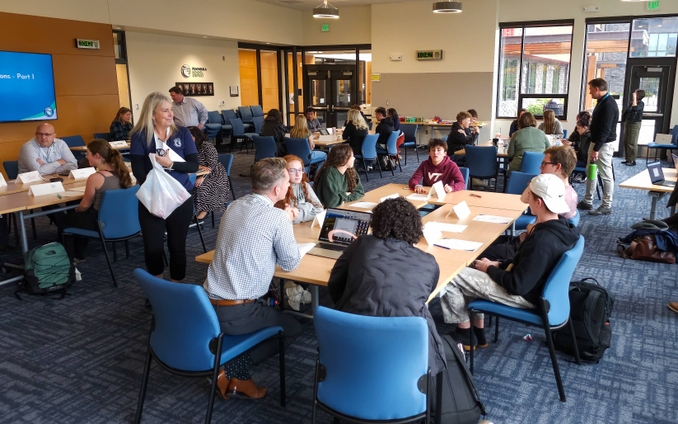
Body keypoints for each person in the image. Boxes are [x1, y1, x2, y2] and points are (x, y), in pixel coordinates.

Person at [440, 173, 579, 350]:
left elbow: (517, 285)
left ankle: (465, 334)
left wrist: (490, 270)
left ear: (539, 203)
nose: (527, 201)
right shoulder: (562, 228)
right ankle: (478, 332)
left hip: (524, 295)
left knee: (450, 274)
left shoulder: (542, 241)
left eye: (531, 197)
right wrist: (498, 265)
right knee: (473, 272)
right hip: (537, 288)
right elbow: (525, 265)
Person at [203, 157, 302, 400]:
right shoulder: (277, 218)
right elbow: (290, 264)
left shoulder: (234, 205)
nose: (290, 187)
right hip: (237, 313)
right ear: (278, 189)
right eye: (288, 183)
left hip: (205, 307)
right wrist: (287, 224)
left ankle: (229, 366)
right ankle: (232, 370)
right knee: (293, 328)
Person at [328, 196, 445, 375]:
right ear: (415, 227)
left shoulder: (360, 245)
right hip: (406, 350)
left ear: (377, 222)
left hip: (353, 338)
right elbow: (422, 296)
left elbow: (335, 284)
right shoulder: (429, 262)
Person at [130, 92, 199, 282]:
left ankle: (176, 286)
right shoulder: (140, 136)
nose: (171, 114)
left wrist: (171, 164)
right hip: (153, 197)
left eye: (171, 110)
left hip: (180, 197)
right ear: (152, 114)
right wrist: (156, 191)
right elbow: (138, 171)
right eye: (165, 111)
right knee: (153, 247)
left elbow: (193, 166)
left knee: (177, 246)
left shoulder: (182, 133)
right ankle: (158, 287)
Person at [481, 145, 578, 262]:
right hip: (526, 241)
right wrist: (540, 178)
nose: (540, 167)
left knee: (479, 251)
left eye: (544, 164)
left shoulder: (560, 196)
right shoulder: (554, 188)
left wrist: (529, 227)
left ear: (557, 167)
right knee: (483, 241)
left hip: (527, 248)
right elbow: (524, 199)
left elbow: (547, 233)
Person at [56, 139, 133, 262]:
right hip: (123, 219)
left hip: (100, 222)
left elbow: (85, 205)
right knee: (77, 217)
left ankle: (69, 259)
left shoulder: (95, 177)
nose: (86, 157)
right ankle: (78, 252)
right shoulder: (123, 172)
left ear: (97, 156)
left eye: (88, 153)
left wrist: (78, 210)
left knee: (64, 220)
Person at [577, 78, 619, 216]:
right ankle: (588, 200)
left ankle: (606, 205)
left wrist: (596, 149)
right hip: (596, 142)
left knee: (606, 174)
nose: (589, 92)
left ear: (596, 88)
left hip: (604, 144)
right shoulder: (602, 102)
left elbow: (605, 130)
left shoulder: (609, 105)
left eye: (590, 89)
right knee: (591, 171)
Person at [188, 126, 229, 221]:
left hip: (214, 173)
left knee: (201, 185)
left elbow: (212, 164)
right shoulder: (189, 147)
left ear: (196, 136)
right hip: (197, 171)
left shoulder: (206, 146)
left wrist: (203, 177)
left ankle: (204, 211)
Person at [275, 154, 324, 224]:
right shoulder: (281, 189)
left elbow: (320, 210)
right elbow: (287, 219)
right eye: (292, 171)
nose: (298, 174)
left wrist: (298, 216)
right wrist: (308, 206)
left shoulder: (304, 185)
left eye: (300, 170)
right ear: (284, 172)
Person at [314, 144, 364, 208]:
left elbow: (360, 192)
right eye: (352, 156)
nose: (354, 158)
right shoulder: (330, 172)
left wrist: (342, 197)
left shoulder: (350, 171)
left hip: (342, 206)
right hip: (325, 210)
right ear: (344, 158)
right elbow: (332, 202)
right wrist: (346, 194)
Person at [621, 89, 645, 166]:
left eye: (635, 93)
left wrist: (634, 99)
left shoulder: (641, 104)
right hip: (628, 122)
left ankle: (632, 160)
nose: (633, 94)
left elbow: (635, 109)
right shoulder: (632, 103)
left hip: (635, 123)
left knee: (632, 142)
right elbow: (627, 111)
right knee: (626, 140)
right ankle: (627, 159)